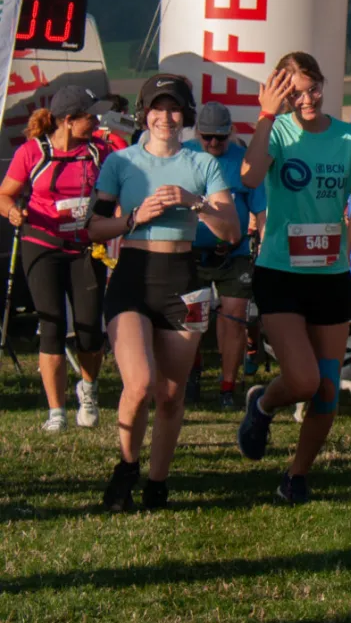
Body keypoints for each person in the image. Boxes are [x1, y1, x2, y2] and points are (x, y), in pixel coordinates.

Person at [87, 74, 239, 511]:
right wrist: (132, 218)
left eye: (174, 109)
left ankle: (157, 482)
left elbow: (230, 231)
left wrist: (196, 202)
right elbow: (94, 227)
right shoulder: (121, 162)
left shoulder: (202, 164)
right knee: (139, 383)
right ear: (144, 113)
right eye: (158, 108)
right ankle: (127, 467)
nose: (166, 117)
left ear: (186, 115)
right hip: (133, 277)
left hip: (183, 280)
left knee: (171, 395)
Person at [236, 51, 351, 505]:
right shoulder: (277, 130)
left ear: (323, 85)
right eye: (295, 93)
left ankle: (296, 474)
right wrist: (266, 115)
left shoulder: (350, 138)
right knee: (303, 380)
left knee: (327, 389)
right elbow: (250, 177)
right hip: (281, 272)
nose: (307, 99)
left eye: (313, 89)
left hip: (330, 276)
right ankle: (262, 404)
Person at [0, 86, 113, 432]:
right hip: (42, 244)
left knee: (90, 328)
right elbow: (5, 195)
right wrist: (12, 212)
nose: (96, 121)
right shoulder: (32, 152)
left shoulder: (99, 151)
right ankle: (56, 411)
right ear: (68, 120)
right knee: (52, 325)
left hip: (85, 248)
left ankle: (88, 391)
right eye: (90, 116)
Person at [185, 102, 267, 408]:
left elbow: (261, 209)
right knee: (192, 319)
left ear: (230, 132)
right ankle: (192, 375)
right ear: (197, 133)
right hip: (193, 251)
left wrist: (263, 243)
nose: (213, 143)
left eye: (220, 137)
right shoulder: (184, 155)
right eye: (207, 137)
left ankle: (227, 387)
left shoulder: (242, 160)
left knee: (233, 318)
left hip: (236, 252)